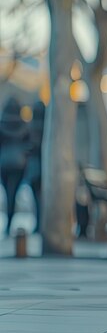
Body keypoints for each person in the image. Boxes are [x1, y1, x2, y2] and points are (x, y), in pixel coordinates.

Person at [0, 97, 30, 236]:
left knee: (8, 193)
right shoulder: (23, 125)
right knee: (13, 192)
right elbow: (29, 145)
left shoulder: (2, 124)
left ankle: (9, 220)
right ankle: (10, 219)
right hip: (19, 163)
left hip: (4, 163)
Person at [25, 101, 45, 233]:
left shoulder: (30, 128)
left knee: (36, 199)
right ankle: (41, 223)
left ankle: (38, 223)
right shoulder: (47, 126)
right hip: (43, 170)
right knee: (42, 199)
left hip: (33, 169)